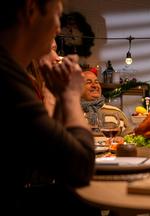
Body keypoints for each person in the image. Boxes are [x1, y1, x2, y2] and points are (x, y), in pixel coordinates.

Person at [0, 0, 100, 215]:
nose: (57, 27)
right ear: (31, 10)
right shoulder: (7, 82)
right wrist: (71, 94)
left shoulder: (13, 73)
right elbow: (79, 167)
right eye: (56, 15)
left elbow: (54, 148)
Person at [81, 70, 133, 136]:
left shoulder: (117, 112)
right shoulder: (71, 114)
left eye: (96, 82)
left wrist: (122, 140)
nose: (94, 85)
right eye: (88, 82)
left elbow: (131, 137)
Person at [27, 39, 60, 117]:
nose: (57, 58)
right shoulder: (26, 87)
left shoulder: (39, 86)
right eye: (51, 49)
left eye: (55, 50)